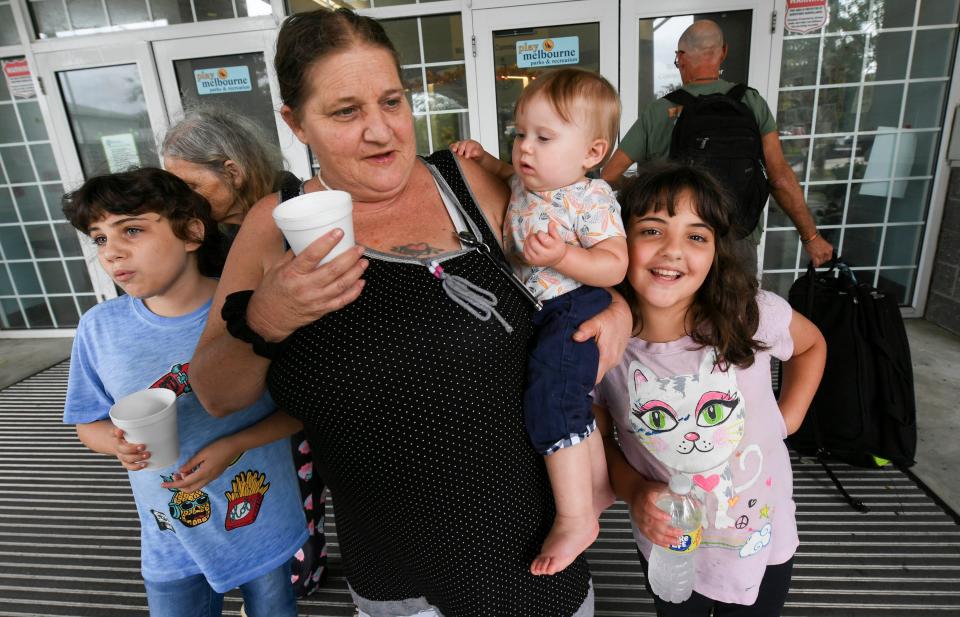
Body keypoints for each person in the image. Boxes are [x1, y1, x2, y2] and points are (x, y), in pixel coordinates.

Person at [189, 8, 633, 616]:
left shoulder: (474, 183)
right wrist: (267, 317)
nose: (381, 131)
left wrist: (618, 309)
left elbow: (586, 263)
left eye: (392, 102)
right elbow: (215, 393)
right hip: (395, 575)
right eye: (346, 111)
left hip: (529, 561)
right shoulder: (275, 226)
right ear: (295, 122)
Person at [61, 167, 307, 617]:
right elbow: (87, 422)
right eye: (99, 239)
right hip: (168, 537)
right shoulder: (99, 329)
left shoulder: (249, 313)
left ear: (192, 232)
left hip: (260, 520)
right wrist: (113, 443)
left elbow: (302, 409)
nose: (112, 252)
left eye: (131, 230)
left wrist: (234, 442)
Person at [593, 161, 826, 616]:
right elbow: (600, 440)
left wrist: (788, 418)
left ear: (717, 251)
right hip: (671, 548)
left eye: (696, 236)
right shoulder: (606, 347)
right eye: (652, 231)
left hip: (763, 539)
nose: (674, 251)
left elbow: (811, 345)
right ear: (620, 243)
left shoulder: (750, 313)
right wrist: (636, 492)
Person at [449, 68, 626, 576]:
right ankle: (595, 488)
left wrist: (564, 256)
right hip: (544, 310)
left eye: (544, 138)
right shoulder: (527, 182)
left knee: (553, 400)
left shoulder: (589, 198)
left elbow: (615, 263)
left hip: (573, 305)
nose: (525, 148)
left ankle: (575, 518)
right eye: (520, 133)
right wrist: (482, 158)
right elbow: (506, 174)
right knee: (571, 402)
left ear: (591, 154)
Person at [162, 107, 328, 598]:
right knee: (253, 485)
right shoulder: (203, 235)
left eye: (188, 185)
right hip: (240, 393)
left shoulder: (296, 212)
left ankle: (303, 573)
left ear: (231, 171)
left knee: (303, 488)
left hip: (298, 391)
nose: (179, 201)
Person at [601, 19, 834, 270]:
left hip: (676, 242)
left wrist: (650, 189)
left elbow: (610, 175)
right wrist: (811, 237)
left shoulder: (659, 112)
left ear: (680, 57)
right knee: (735, 309)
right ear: (723, 52)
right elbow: (779, 178)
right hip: (737, 238)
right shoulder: (751, 103)